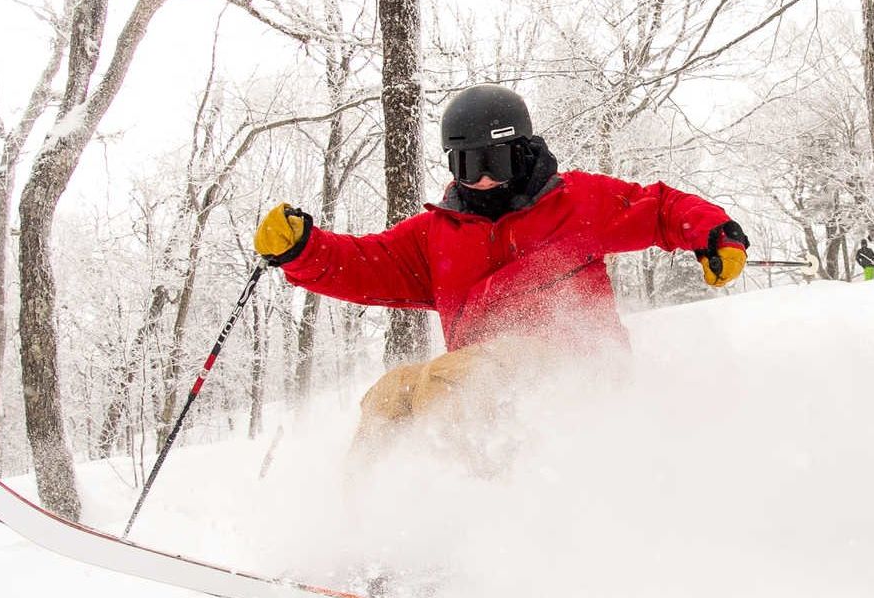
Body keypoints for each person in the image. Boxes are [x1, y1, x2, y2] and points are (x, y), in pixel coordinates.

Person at [253, 84, 748, 471]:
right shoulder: (438, 234)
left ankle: (461, 529)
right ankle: (369, 536)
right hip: (484, 385)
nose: (483, 178)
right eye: (468, 164)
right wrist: (302, 250)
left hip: (577, 372)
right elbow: (365, 262)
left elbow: (658, 207)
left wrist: (714, 234)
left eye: (495, 161)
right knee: (392, 396)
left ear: (524, 151)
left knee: (455, 379)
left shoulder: (574, 203)